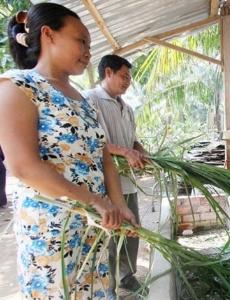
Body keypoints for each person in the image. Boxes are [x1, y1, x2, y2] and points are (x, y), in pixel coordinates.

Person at [0, 3, 137, 299]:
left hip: (92, 225)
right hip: (51, 231)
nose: (88, 51)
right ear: (48, 35)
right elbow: (23, 167)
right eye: (81, 41)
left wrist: (117, 203)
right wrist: (95, 201)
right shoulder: (18, 87)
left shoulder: (80, 97)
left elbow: (103, 157)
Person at [84, 54, 148, 298]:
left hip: (128, 182)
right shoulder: (91, 100)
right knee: (110, 235)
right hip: (105, 184)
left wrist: (141, 151)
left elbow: (132, 139)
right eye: (123, 76)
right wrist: (123, 151)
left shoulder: (127, 107)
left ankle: (127, 276)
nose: (127, 82)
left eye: (129, 78)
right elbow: (93, 141)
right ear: (108, 73)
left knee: (132, 230)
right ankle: (108, 286)